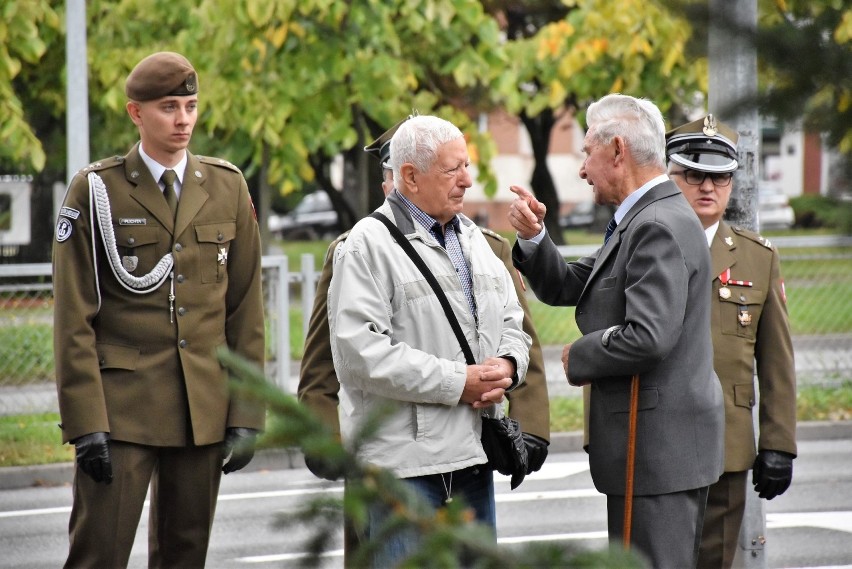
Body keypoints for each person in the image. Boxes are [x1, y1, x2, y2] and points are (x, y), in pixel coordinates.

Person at [298, 117, 551, 565]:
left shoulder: (475, 240)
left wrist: (507, 366)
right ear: (409, 177)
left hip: (472, 459)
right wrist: (460, 382)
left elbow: (514, 322)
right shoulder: (363, 246)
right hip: (402, 471)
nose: (468, 180)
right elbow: (357, 355)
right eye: (454, 169)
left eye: (466, 166)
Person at [52, 51, 265, 568]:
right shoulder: (97, 189)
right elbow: (72, 318)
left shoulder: (226, 186)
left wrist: (246, 413)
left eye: (191, 105)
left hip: (201, 408)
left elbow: (245, 310)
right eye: (169, 106)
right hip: (121, 410)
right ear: (135, 113)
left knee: (184, 556)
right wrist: (86, 423)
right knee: (97, 554)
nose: (184, 119)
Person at [508, 93, 725, 568]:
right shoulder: (641, 220)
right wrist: (534, 238)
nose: (583, 169)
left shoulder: (656, 224)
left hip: (656, 451)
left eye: (587, 152)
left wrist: (580, 356)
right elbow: (571, 284)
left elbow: (649, 337)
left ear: (618, 151)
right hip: (650, 449)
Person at [666, 115, 797, 569]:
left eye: (720, 176)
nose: (708, 186)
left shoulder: (757, 258)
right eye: (694, 174)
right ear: (671, 176)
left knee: (714, 561)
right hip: (656, 440)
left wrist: (779, 443)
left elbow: (777, 361)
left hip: (728, 440)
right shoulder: (644, 245)